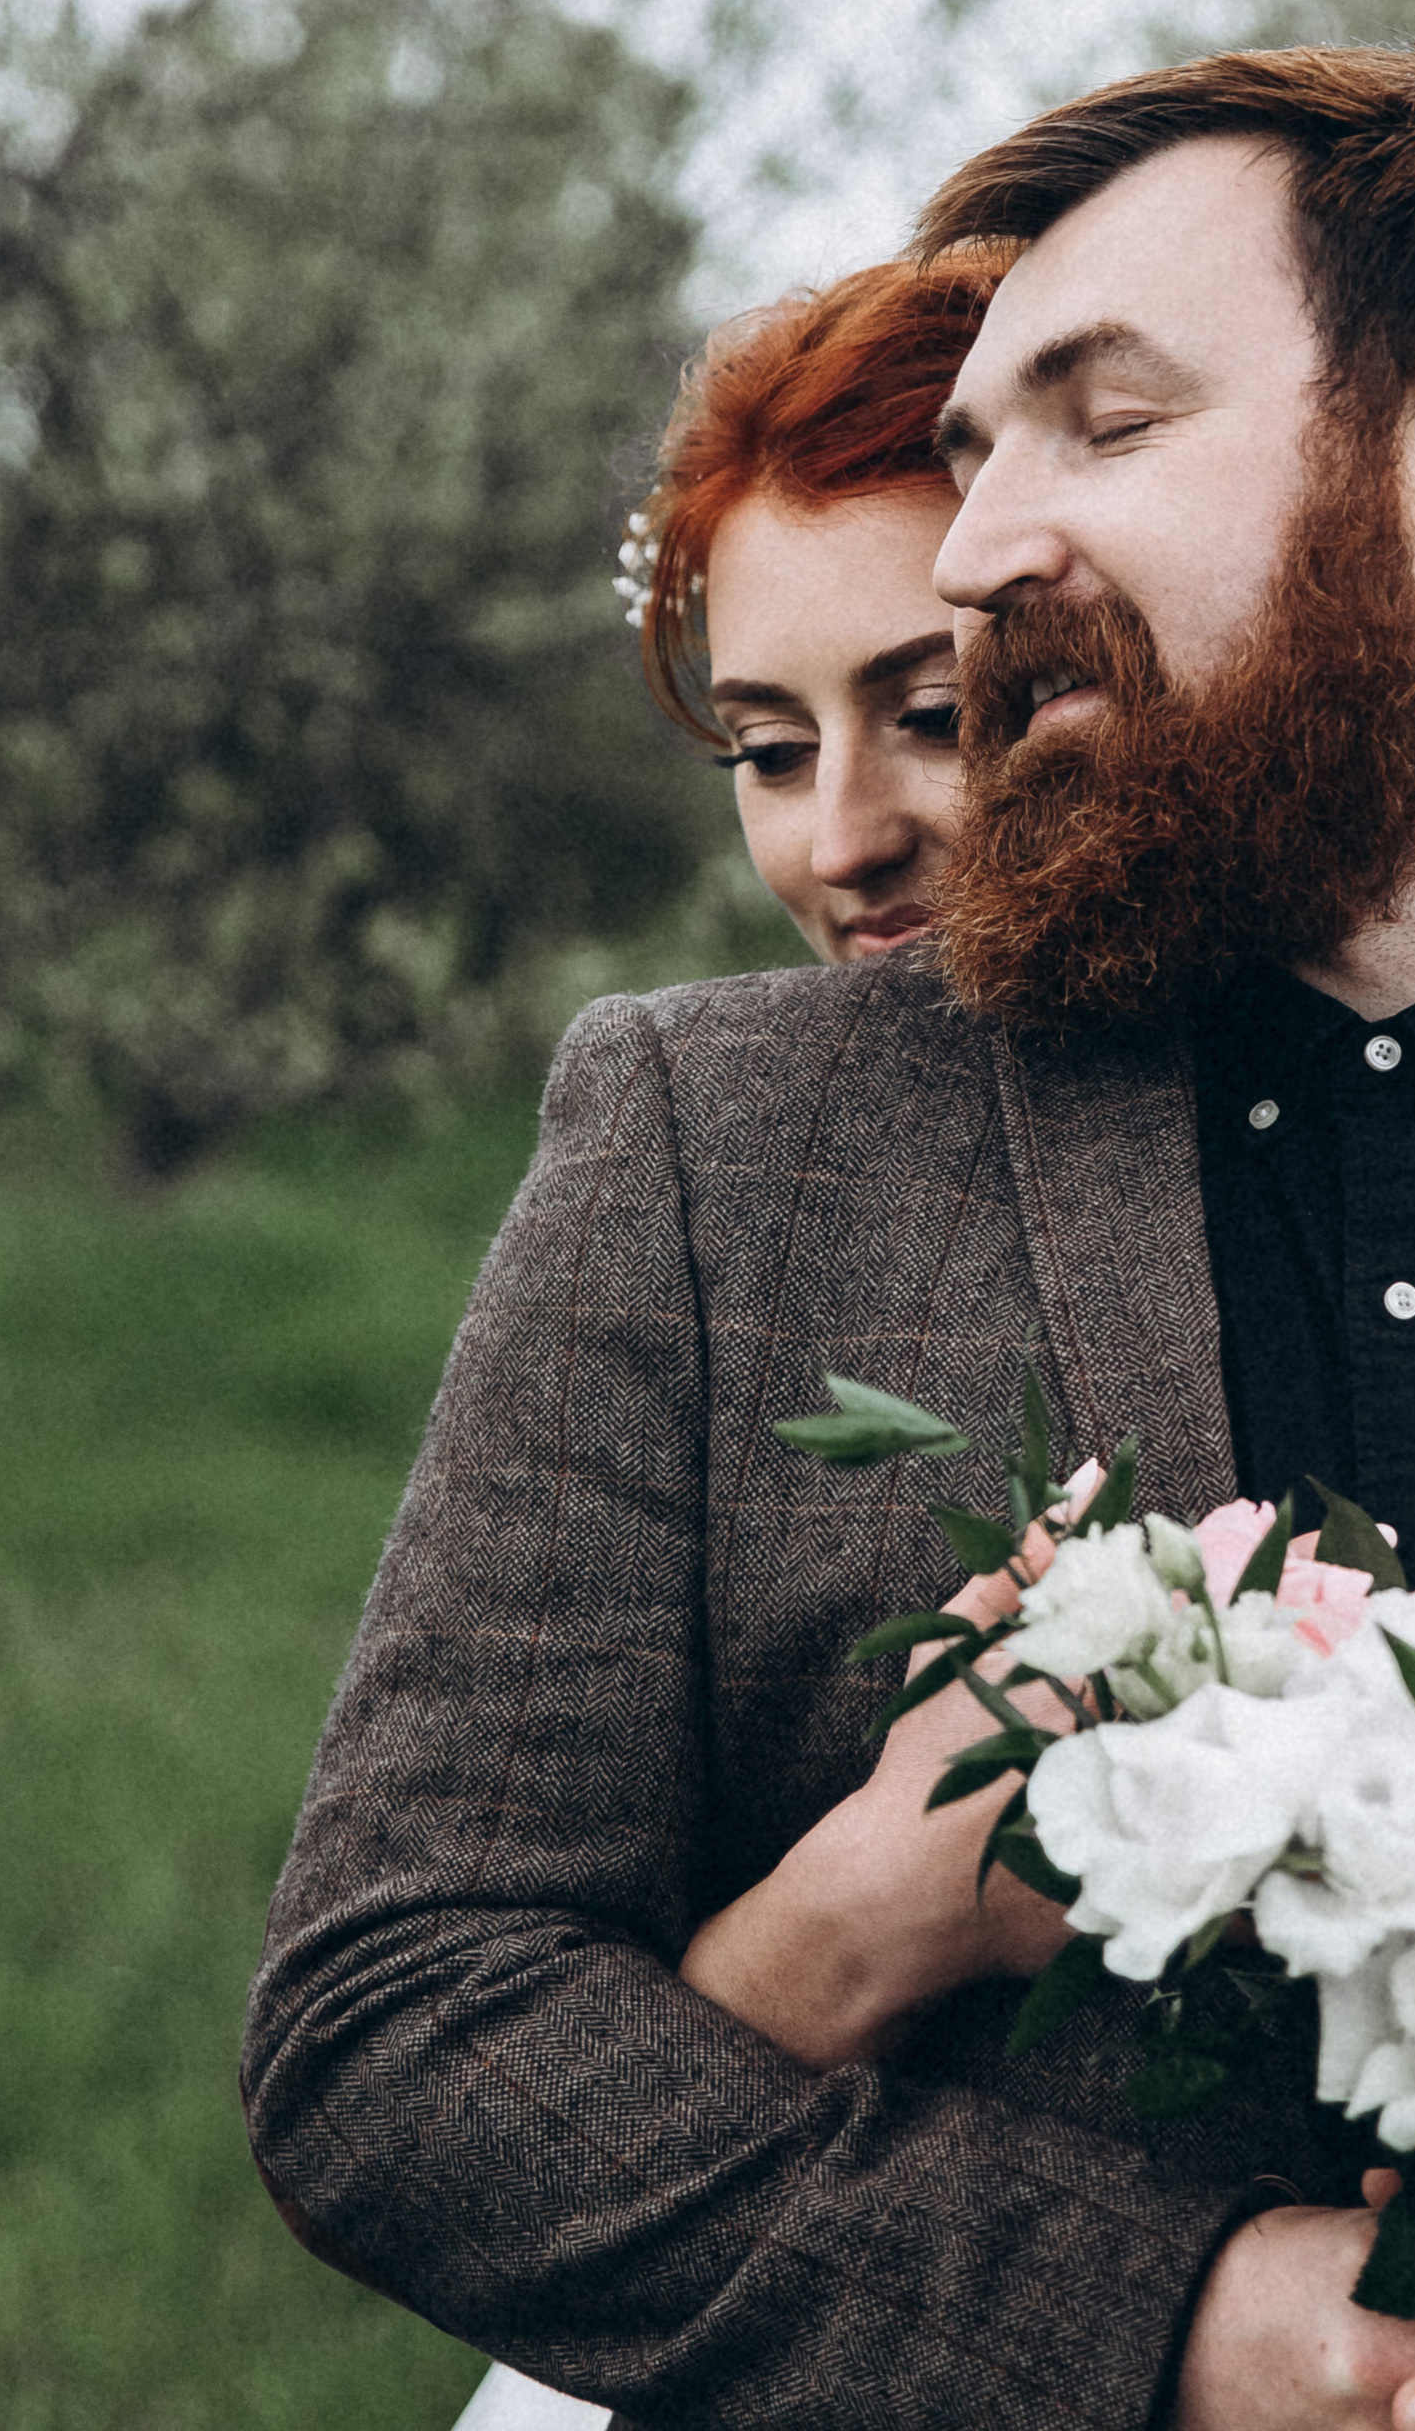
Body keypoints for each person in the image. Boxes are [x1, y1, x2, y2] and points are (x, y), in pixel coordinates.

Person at [247, 47, 1415, 2431]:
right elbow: (393, 2031)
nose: (970, 557)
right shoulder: (711, 1147)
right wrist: (1157, 2324)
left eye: (1098, 422)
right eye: (969, 457)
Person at [446, 258, 994, 2431]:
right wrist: (875, 1906)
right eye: (768, 748)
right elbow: (433, 2016)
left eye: (934, 707)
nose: (835, 835)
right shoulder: (696, 1148)